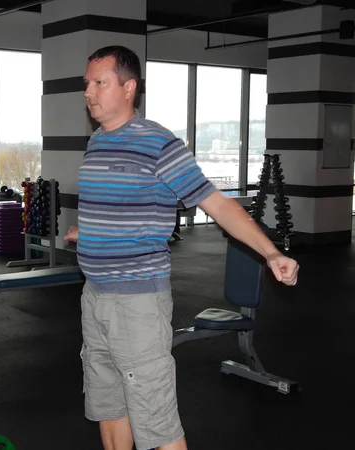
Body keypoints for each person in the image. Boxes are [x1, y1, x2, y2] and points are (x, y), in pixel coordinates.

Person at [63, 46, 299, 450]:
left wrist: (270, 252)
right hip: (94, 298)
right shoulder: (97, 143)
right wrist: (90, 235)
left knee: (157, 423)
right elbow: (121, 208)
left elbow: (218, 204)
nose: (89, 92)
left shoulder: (158, 143)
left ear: (128, 87)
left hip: (136, 305)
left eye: (99, 82)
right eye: (87, 83)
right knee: (108, 406)